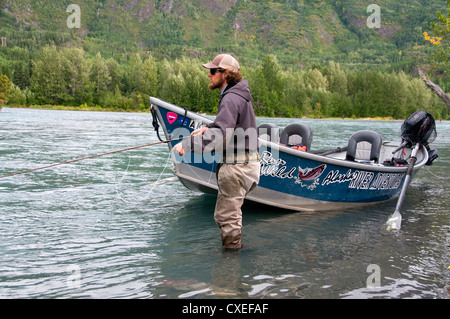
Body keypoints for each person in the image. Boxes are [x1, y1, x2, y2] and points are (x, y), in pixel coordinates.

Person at [172, 54, 260, 250]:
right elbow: (231, 125)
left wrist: (186, 145)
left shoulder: (230, 98)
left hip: (237, 167)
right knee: (231, 215)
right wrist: (209, 127)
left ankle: (229, 269)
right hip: (250, 166)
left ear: (226, 74)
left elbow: (220, 135)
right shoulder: (239, 95)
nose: (208, 75)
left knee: (227, 218)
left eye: (212, 71)